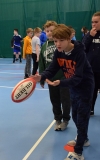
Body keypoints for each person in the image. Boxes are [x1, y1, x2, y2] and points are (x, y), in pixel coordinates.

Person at [31, 24, 94, 160]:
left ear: (69, 39)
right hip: (74, 87)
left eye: (61, 40)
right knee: (76, 116)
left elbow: (78, 77)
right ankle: (84, 139)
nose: (58, 44)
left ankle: (78, 152)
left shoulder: (79, 53)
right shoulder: (59, 52)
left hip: (85, 88)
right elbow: (52, 68)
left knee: (82, 119)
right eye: (55, 41)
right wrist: (41, 76)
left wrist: (61, 82)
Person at [39, 21, 71, 131]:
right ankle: (58, 118)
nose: (49, 33)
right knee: (55, 100)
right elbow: (42, 63)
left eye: (52, 30)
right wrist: (42, 78)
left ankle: (66, 119)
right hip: (51, 79)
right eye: (47, 31)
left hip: (64, 78)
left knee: (66, 101)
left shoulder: (62, 45)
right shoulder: (44, 46)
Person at [83, 11, 100, 116]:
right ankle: (90, 109)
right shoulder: (89, 34)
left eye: (96, 22)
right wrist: (89, 36)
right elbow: (83, 48)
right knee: (91, 91)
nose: (93, 24)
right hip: (91, 69)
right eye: (92, 22)